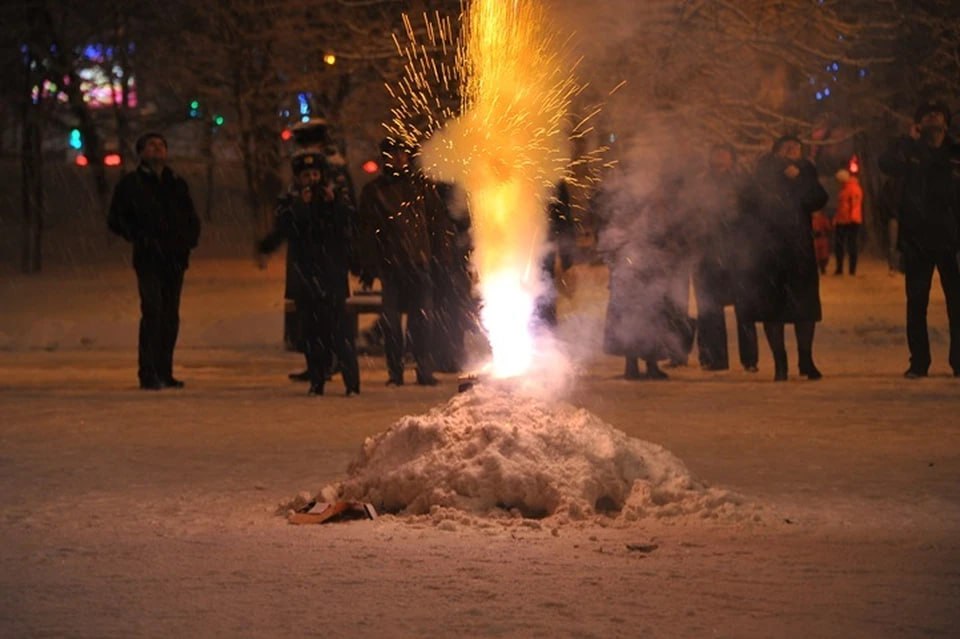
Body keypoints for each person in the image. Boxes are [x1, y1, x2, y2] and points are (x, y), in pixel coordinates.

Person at [257, 151, 360, 396]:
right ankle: (317, 379)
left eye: (316, 174)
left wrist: (333, 202)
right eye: (306, 175)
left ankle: (351, 383)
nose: (312, 180)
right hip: (305, 276)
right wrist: (300, 206)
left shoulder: (336, 199)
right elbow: (284, 228)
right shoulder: (290, 201)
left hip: (332, 276)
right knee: (312, 333)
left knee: (340, 333)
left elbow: (349, 225)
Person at [108, 132, 201, 390]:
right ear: (141, 152)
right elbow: (116, 219)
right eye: (152, 146)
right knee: (153, 311)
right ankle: (148, 371)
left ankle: (164, 370)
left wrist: (187, 241)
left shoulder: (176, 183)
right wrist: (139, 235)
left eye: (161, 145)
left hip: (174, 258)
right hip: (149, 258)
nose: (157, 150)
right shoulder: (131, 184)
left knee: (170, 314)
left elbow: (191, 218)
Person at [879, 100, 960, 378]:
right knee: (916, 304)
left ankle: (958, 361)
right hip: (917, 238)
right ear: (919, 124)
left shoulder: (955, 152)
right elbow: (886, 164)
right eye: (926, 115)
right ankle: (919, 362)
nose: (932, 118)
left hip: (952, 239)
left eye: (938, 114)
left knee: (957, 303)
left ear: (946, 123)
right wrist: (906, 140)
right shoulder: (909, 152)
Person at [738, 135, 829, 381]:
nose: (792, 152)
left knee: (805, 309)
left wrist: (798, 179)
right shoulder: (762, 173)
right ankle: (780, 362)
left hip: (799, 249)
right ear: (776, 151)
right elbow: (746, 201)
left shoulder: (805, 172)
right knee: (772, 309)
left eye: (797, 148)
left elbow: (818, 199)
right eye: (787, 148)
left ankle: (806, 359)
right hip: (769, 250)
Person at [355, 138, 442, 386]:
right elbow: (367, 232)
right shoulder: (374, 192)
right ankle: (396, 371)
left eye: (402, 153)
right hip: (391, 266)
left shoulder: (421, 187)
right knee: (392, 324)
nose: (398, 158)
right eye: (393, 154)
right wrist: (369, 265)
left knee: (422, 320)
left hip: (419, 263)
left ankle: (424, 369)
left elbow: (435, 225)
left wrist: (438, 258)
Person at [596, 165, 687, 380]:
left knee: (653, 314)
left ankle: (651, 362)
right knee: (629, 316)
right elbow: (612, 234)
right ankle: (632, 364)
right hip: (630, 270)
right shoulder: (625, 204)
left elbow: (668, 234)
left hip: (653, 268)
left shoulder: (659, 205)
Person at [691, 143, 759, 372]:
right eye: (716, 156)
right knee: (709, 310)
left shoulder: (743, 184)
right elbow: (690, 213)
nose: (720, 161)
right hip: (707, 254)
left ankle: (749, 359)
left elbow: (753, 214)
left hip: (738, 254)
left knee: (745, 309)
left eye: (725, 156)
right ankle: (714, 358)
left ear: (732, 159)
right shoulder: (701, 184)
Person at [535, 179, 577, 327]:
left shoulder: (551, 176)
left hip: (544, 250)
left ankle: (545, 341)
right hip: (510, 253)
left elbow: (563, 220)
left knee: (544, 292)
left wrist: (567, 260)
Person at [832, 168, 863, 275]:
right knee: (849, 245)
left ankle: (847, 269)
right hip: (845, 220)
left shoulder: (851, 189)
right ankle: (846, 269)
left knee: (848, 245)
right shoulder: (847, 189)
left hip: (849, 221)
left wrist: (851, 219)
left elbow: (853, 206)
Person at [811, 209, 832, 275]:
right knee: (815, 254)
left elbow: (828, 228)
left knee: (823, 255)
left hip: (822, 238)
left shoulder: (823, 219)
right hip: (814, 239)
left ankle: (823, 268)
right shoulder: (810, 219)